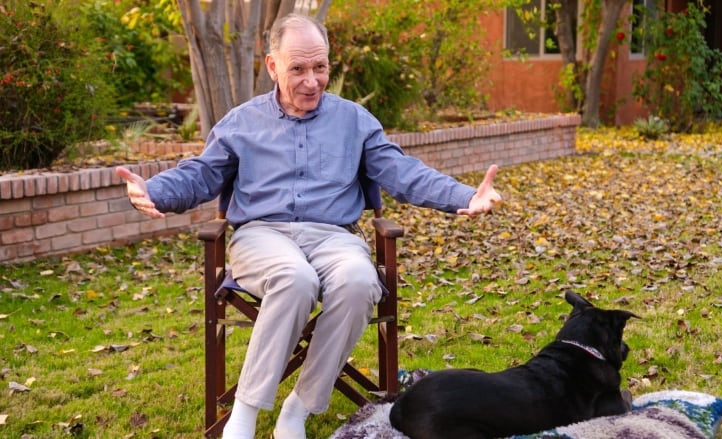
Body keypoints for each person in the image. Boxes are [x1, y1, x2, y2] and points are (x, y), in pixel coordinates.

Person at [116, 12, 501, 439]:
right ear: (272, 66)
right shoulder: (242, 122)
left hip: (333, 237)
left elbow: (402, 172)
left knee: (358, 281)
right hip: (262, 236)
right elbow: (201, 173)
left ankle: (297, 409)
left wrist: (464, 196)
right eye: (298, 69)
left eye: (320, 68)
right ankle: (244, 414)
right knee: (294, 278)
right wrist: (155, 191)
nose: (312, 81)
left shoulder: (354, 121)